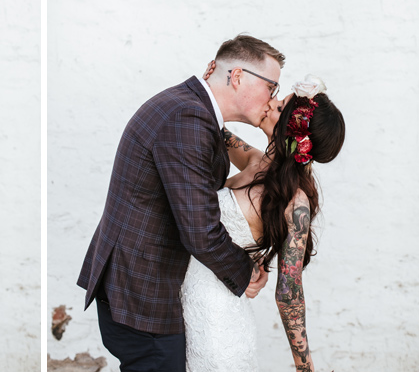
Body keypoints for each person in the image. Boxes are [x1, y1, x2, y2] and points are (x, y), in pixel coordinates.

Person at [77, 34, 284, 372]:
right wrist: (245, 273)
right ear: (238, 77)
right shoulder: (187, 118)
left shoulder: (193, 110)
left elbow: (254, 163)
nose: (272, 98)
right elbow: (200, 231)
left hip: (144, 287)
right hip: (142, 292)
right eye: (271, 87)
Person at [181, 66, 345, 372]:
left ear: (294, 129)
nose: (271, 103)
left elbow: (289, 292)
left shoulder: (296, 204)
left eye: (280, 105)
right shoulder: (254, 159)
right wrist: (210, 86)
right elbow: (214, 126)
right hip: (186, 303)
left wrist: (305, 367)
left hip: (217, 322)